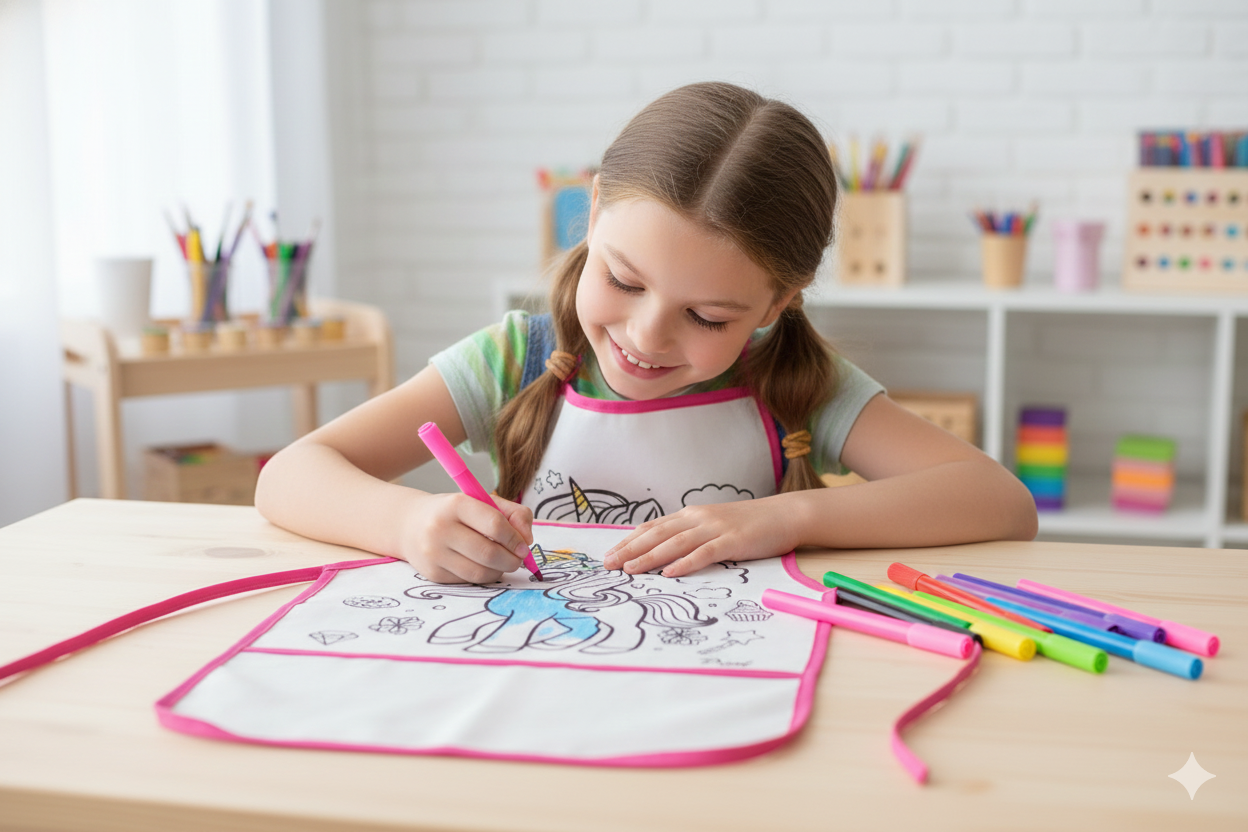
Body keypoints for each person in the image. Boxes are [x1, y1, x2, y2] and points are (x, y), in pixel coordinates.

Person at [255, 82, 1037, 585]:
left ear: (776, 303)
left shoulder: (793, 379)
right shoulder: (513, 359)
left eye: (708, 317)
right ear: (591, 216)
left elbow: (998, 500)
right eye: (623, 280)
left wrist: (786, 518)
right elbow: (290, 475)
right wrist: (405, 522)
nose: (645, 334)